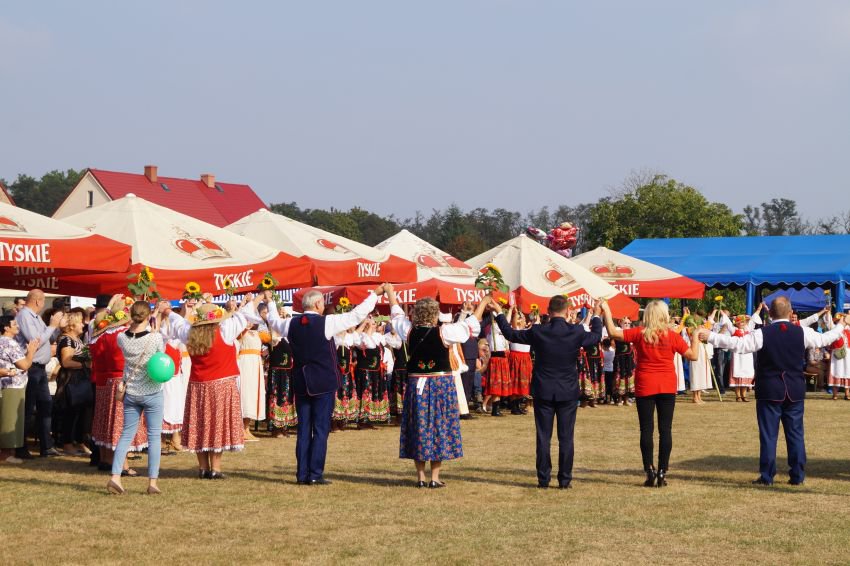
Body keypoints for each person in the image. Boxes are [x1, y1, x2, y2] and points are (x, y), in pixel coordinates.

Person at [699, 296, 847, 485]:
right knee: (795, 434)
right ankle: (797, 475)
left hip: (769, 390)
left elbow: (738, 344)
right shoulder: (802, 332)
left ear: (770, 314)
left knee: (769, 435)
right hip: (794, 389)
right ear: (791, 312)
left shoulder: (762, 333)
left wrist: (710, 336)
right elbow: (826, 338)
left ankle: (767, 475)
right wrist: (841, 325)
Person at [264, 286, 385, 485]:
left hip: (301, 381)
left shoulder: (291, 323)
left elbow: (274, 321)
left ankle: (302, 474)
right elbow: (356, 315)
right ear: (318, 304)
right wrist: (375, 295)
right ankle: (314, 474)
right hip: (322, 381)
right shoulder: (326, 322)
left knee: (304, 429)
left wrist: (270, 302)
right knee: (320, 429)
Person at [492, 295, 602, 489]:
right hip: (567, 391)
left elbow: (510, 334)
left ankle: (543, 479)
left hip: (544, 389)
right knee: (566, 438)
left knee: (543, 437)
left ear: (549, 311)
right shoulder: (576, 331)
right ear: (567, 311)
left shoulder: (538, 331)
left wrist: (499, 313)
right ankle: (565, 480)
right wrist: (597, 315)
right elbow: (596, 337)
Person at [388, 287, 485, 488]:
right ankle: (434, 477)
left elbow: (396, 314)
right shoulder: (444, 332)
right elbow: (470, 325)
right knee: (439, 427)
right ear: (434, 314)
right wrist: (483, 303)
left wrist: (390, 292)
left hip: (417, 385)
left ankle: (420, 478)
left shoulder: (409, 330)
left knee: (419, 427)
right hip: (441, 385)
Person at [164, 293, 264, 479]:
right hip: (221, 385)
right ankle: (215, 468)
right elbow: (244, 314)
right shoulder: (225, 330)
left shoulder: (190, 334)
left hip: (198, 385)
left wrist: (168, 311)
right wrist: (257, 298)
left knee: (200, 425)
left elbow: (178, 323)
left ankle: (203, 467)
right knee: (217, 426)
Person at [602, 300, 701, 487]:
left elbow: (613, 332)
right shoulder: (672, 336)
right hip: (667, 385)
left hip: (645, 384)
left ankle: (649, 470)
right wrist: (695, 336)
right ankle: (663, 471)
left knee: (646, 430)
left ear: (647, 315)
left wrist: (607, 309)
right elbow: (693, 355)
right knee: (665, 430)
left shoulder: (640, 333)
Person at [106, 301, 168, 495]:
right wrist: (155, 327)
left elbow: (125, 330)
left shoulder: (122, 338)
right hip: (152, 391)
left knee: (126, 435)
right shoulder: (155, 338)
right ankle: (152, 482)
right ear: (148, 316)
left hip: (131, 392)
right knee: (154, 437)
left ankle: (115, 476)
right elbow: (162, 359)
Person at [15, 289, 64, 458]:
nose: (43, 304)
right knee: (28, 408)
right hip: (31, 367)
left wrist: (57, 327)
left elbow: (48, 338)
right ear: (38, 301)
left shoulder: (35, 317)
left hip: (40, 368)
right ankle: (20, 447)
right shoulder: (25, 316)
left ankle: (46, 446)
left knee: (45, 405)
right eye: (43, 301)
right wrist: (52, 326)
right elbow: (35, 340)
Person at [0, 316, 39, 464]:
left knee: (6, 418)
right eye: (14, 324)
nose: (17, 326)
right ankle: (6, 454)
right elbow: (24, 365)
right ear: (6, 327)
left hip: (6, 385)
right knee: (10, 419)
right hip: (12, 385)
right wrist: (31, 351)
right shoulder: (9, 343)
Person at [55, 311, 93, 456]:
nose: (83, 325)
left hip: (80, 379)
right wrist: (85, 365)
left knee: (81, 412)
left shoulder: (76, 339)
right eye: (80, 322)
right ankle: (67, 444)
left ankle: (79, 441)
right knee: (70, 412)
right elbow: (66, 362)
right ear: (71, 326)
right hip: (71, 380)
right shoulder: (67, 340)